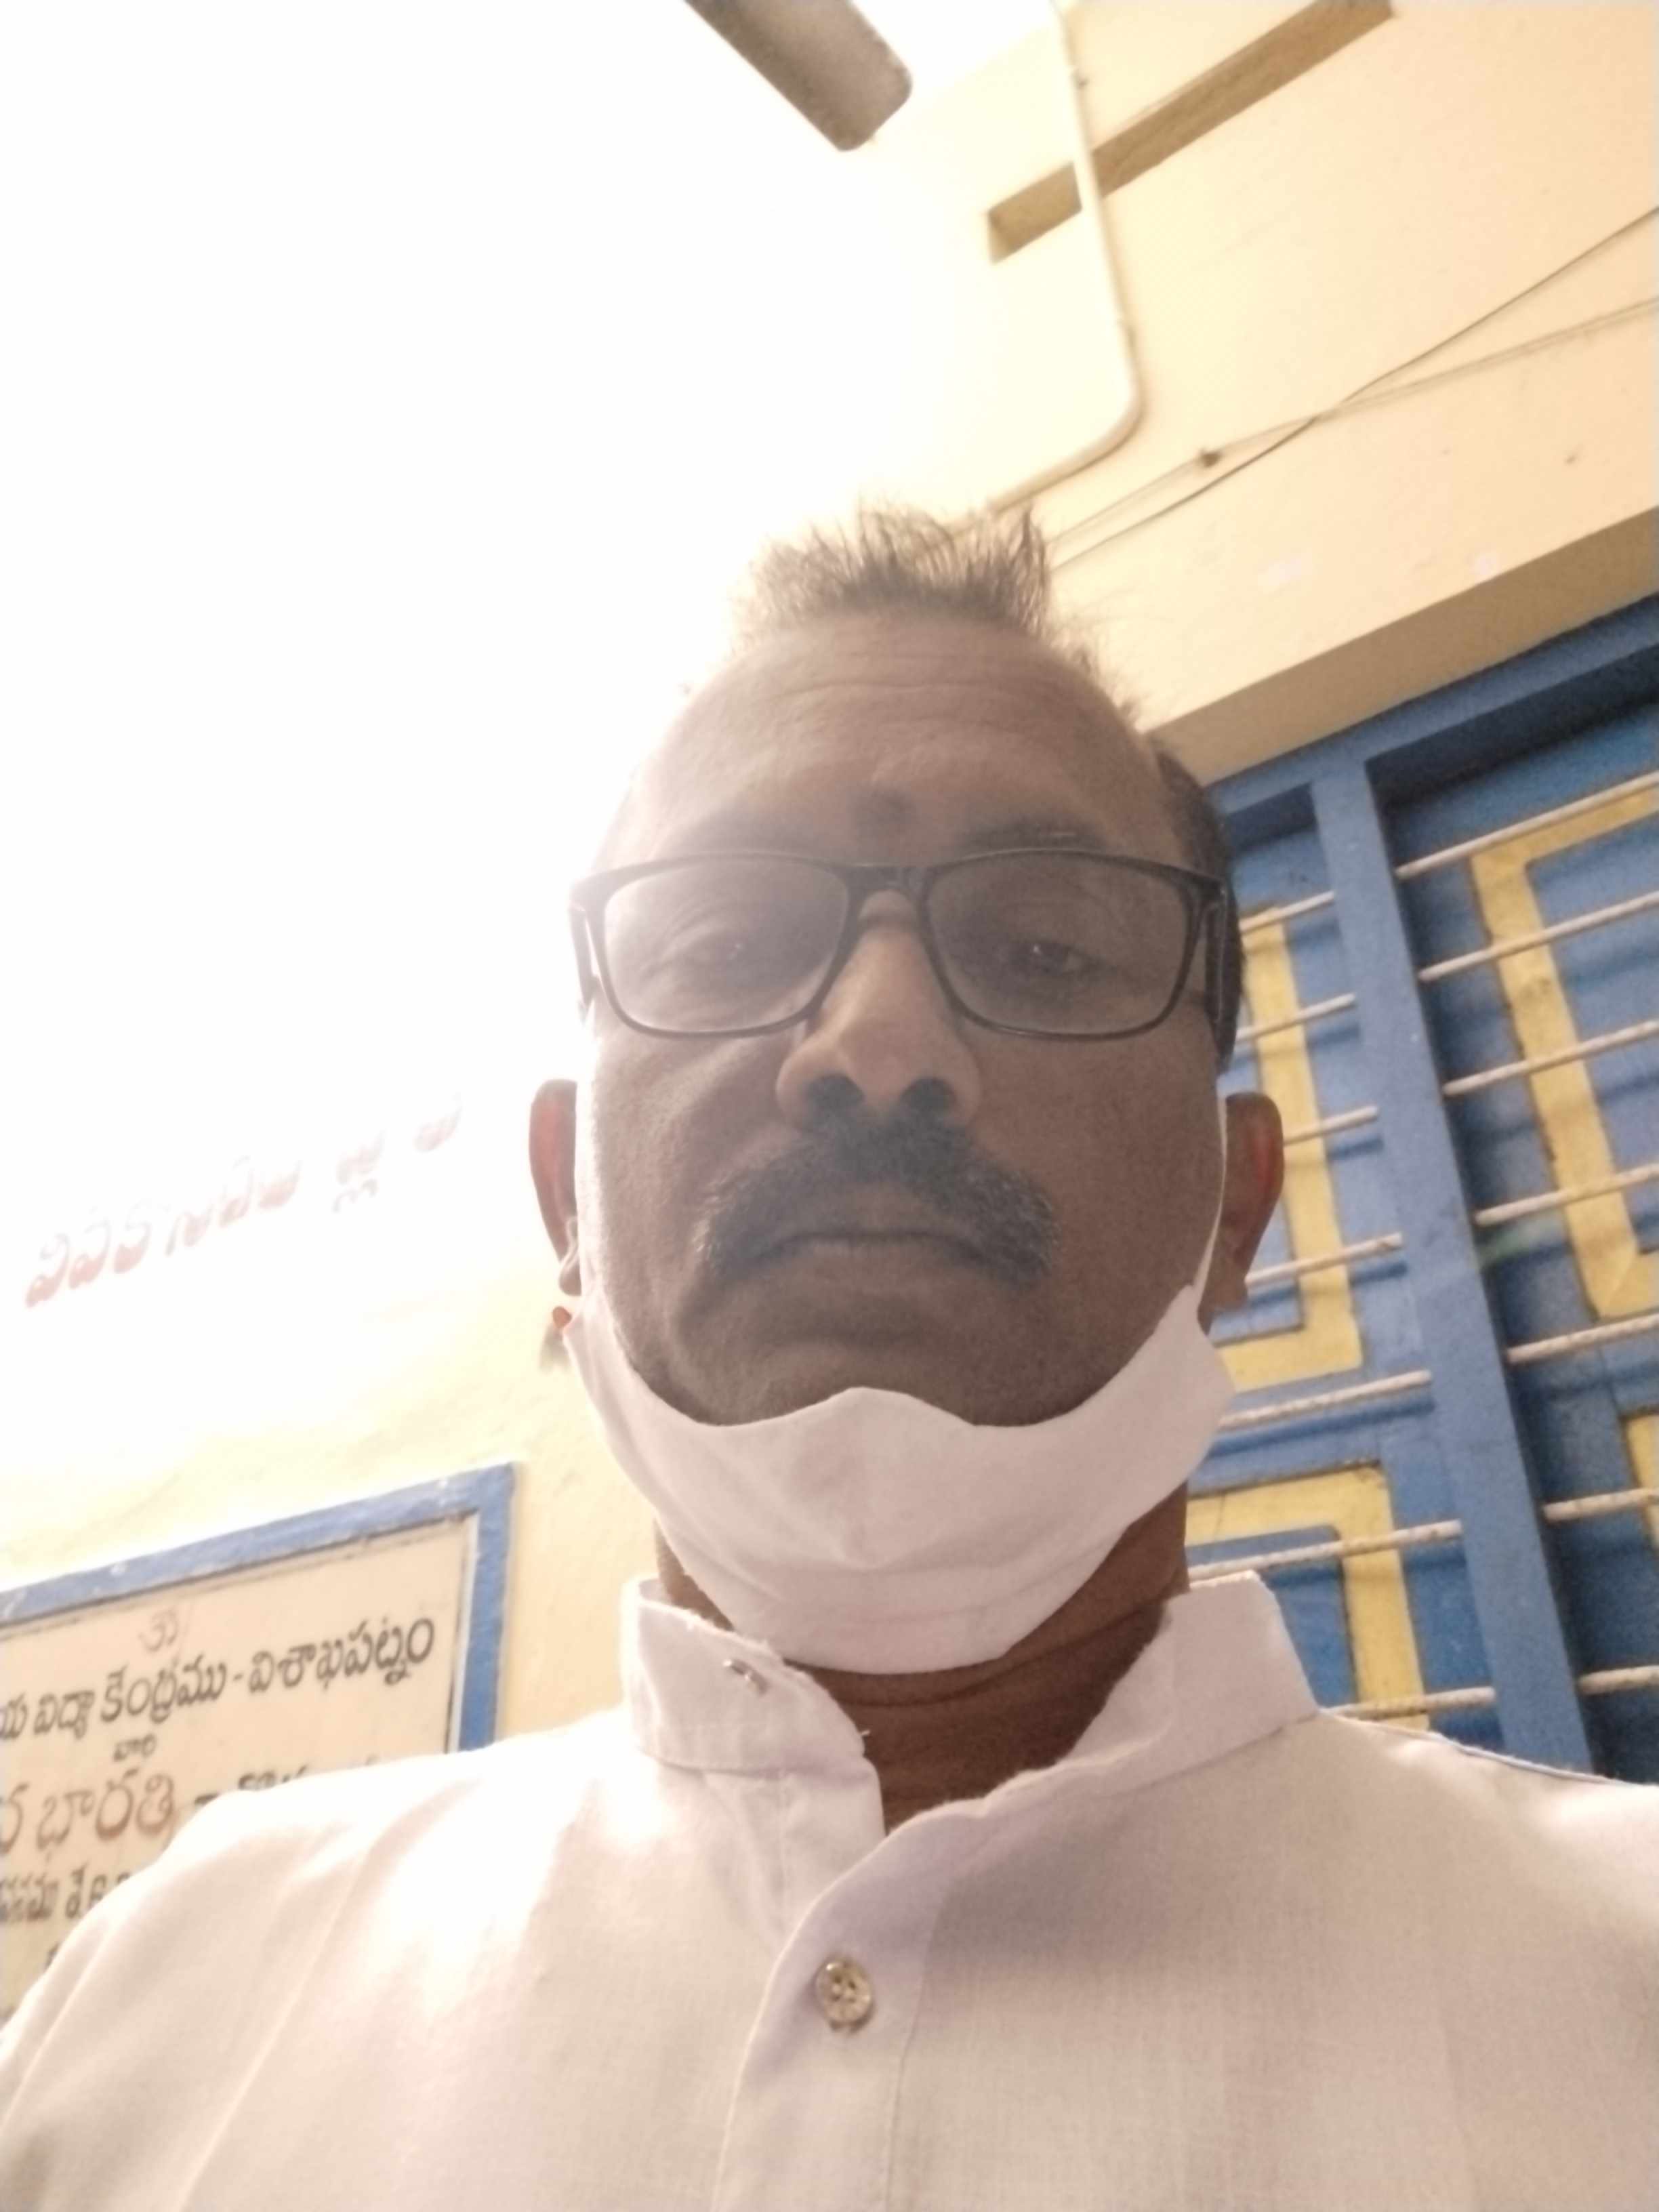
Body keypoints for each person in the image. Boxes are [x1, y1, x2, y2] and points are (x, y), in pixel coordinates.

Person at [1, 510, 1654, 2209]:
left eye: (1043, 948)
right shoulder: (168, 2000)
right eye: (728, 942)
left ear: (1235, 1209)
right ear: (566, 1201)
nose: (875, 1043)